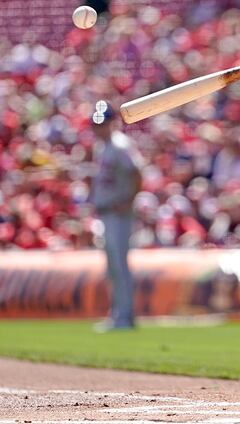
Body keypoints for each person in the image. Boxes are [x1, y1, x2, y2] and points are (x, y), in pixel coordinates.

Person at [90, 101, 143, 331]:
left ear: (113, 122)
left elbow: (136, 172)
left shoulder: (121, 144)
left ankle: (125, 316)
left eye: (102, 123)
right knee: (112, 267)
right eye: (96, 124)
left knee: (120, 265)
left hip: (119, 213)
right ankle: (117, 314)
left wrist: (128, 201)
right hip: (106, 212)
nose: (99, 128)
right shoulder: (101, 148)